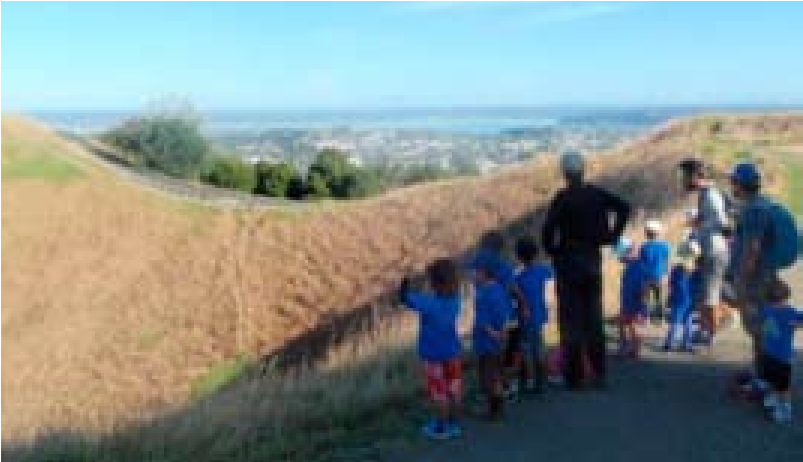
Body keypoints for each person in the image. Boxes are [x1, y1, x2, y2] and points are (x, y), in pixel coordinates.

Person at [542, 150, 631, 389]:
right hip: (592, 260)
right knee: (593, 319)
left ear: (565, 172)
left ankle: (575, 377)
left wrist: (552, 250)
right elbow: (624, 208)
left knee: (570, 321)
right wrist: (613, 236)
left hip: (569, 263)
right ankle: (599, 374)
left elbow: (548, 229)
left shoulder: (563, 198)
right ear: (583, 170)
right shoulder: (596, 194)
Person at [729, 161, 799, 381]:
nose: (732, 186)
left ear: (739, 184)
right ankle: (762, 371)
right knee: (761, 323)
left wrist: (743, 277)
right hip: (765, 273)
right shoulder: (763, 204)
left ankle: (764, 375)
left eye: (733, 182)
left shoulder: (753, 211)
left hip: (756, 277)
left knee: (758, 325)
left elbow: (754, 247)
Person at [399, 259, 463, 440]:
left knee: (439, 392)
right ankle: (455, 422)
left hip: (433, 356)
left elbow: (404, 298)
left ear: (434, 282)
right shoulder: (456, 301)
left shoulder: (428, 303)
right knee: (454, 388)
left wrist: (405, 280)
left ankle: (441, 429)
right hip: (452, 353)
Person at [677, 158, 730, 350]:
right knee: (705, 295)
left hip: (715, 251)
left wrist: (701, 225)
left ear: (695, 176)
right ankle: (705, 330)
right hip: (707, 249)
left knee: (711, 296)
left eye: (685, 176)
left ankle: (711, 335)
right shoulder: (705, 194)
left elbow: (723, 223)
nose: (683, 181)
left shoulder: (711, 195)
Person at [470, 231, 529, 399]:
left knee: (496, 358)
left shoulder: (485, 265)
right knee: (504, 355)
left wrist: (524, 305)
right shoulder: (502, 266)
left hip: (498, 320)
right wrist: (523, 306)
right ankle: (503, 388)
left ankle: (500, 390)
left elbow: (513, 289)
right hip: (506, 317)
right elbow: (513, 290)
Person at [513, 235, 554, 394]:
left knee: (526, 347)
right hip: (540, 313)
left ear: (519, 256)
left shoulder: (519, 278)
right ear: (535, 253)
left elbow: (514, 295)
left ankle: (529, 380)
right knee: (539, 346)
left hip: (525, 316)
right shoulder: (543, 270)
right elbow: (551, 278)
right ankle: (540, 380)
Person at [758, 278, 802, 423]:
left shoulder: (766, 309)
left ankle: (774, 400)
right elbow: (799, 321)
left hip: (767, 354)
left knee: (771, 379)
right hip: (782, 357)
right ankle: (785, 409)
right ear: (786, 297)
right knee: (783, 386)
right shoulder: (789, 312)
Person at [472, 259, 512, 420]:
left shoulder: (483, 294)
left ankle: (493, 411)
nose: (473, 275)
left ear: (484, 274)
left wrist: (493, 333)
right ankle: (499, 408)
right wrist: (503, 333)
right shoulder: (500, 289)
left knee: (489, 377)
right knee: (497, 374)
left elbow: (483, 322)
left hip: (486, 343)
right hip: (500, 341)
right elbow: (507, 314)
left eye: (475, 272)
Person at [662, 241, 700, 352]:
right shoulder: (696, 270)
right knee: (688, 320)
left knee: (675, 321)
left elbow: (671, 283)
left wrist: (671, 295)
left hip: (678, 297)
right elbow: (698, 284)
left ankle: (670, 344)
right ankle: (687, 344)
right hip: (690, 297)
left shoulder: (677, 269)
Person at [616, 237, 646, 358]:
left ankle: (632, 349)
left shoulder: (638, 267)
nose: (619, 258)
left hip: (635, 302)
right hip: (627, 301)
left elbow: (644, 286)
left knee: (632, 325)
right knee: (623, 323)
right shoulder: (631, 267)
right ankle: (626, 348)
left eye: (621, 255)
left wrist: (641, 303)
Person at [639, 220, 671, 323]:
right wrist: (666, 274)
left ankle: (646, 318)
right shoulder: (665, 246)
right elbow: (667, 261)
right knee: (659, 297)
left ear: (648, 233)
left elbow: (642, 262)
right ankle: (660, 318)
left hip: (647, 276)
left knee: (646, 297)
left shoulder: (644, 246)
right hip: (660, 275)